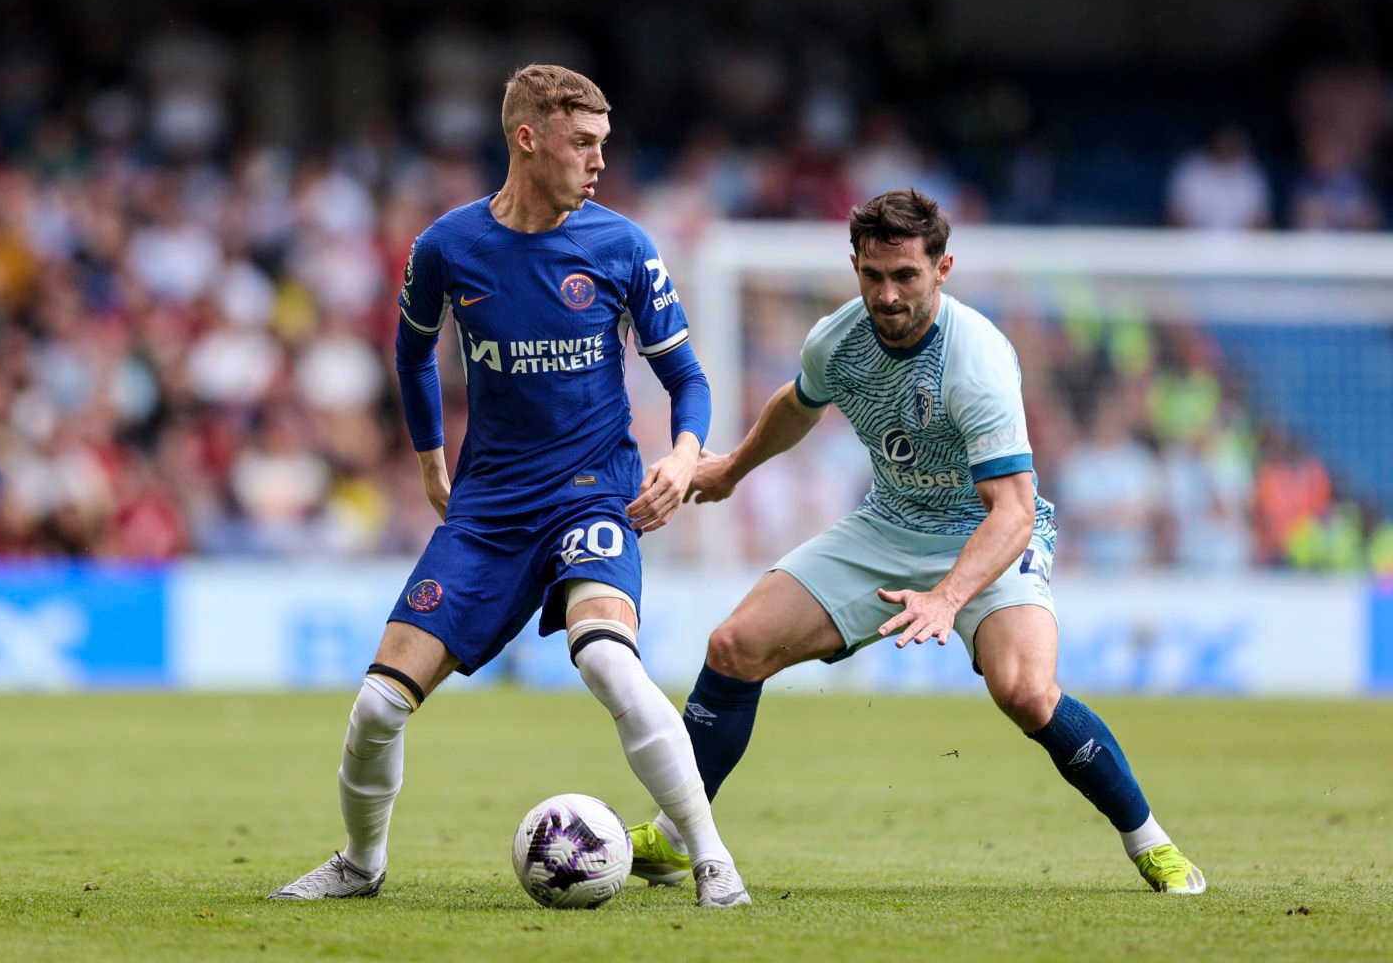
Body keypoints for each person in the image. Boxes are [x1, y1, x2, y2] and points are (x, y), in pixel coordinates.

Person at [629, 189, 1206, 896]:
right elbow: (797, 404)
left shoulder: (976, 362)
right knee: (733, 647)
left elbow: (1014, 511)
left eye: (906, 276)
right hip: (888, 525)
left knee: (1025, 692)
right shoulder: (837, 339)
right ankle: (674, 831)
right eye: (873, 276)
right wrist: (731, 470)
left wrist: (948, 596)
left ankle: (1152, 843)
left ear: (943, 268)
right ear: (856, 267)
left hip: (987, 535)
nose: (888, 294)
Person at [269, 64, 750, 908]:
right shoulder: (448, 247)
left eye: (605, 144)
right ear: (527, 139)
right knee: (379, 707)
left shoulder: (623, 246)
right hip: (489, 508)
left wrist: (681, 454)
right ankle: (359, 863)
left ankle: (713, 862)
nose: (600, 162)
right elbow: (413, 352)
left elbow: (688, 377)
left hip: (595, 493)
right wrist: (429, 460)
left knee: (607, 660)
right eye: (583, 143)